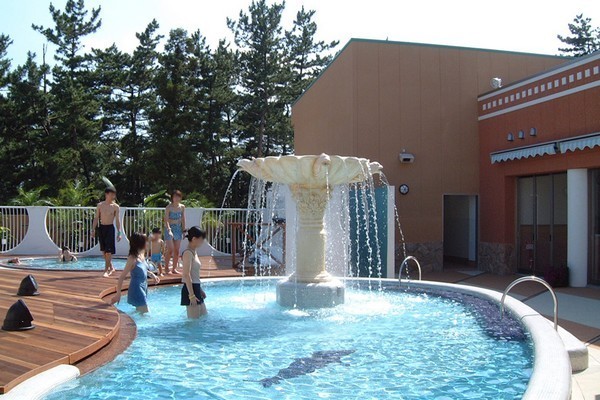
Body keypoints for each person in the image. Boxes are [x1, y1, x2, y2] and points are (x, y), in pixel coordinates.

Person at [112, 232, 160, 314]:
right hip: (137, 288)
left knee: (140, 312)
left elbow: (143, 269)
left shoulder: (141, 255)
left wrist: (152, 275)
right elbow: (122, 277)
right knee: (145, 313)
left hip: (144, 286)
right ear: (140, 243)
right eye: (146, 241)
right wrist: (118, 293)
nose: (148, 243)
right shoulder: (132, 258)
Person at [91, 187, 123, 277]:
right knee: (104, 251)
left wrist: (119, 232)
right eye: (111, 194)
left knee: (109, 251)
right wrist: (93, 229)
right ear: (106, 194)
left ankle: (106, 270)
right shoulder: (100, 205)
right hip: (102, 228)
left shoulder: (115, 207)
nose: (113, 196)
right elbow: (96, 218)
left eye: (114, 194)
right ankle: (111, 267)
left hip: (110, 228)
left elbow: (117, 220)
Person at [181, 226, 207, 319]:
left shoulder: (194, 252)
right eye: (201, 239)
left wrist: (200, 290)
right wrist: (191, 295)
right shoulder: (188, 253)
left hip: (196, 287)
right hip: (190, 290)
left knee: (204, 317)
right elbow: (186, 274)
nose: (203, 241)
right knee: (194, 322)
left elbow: (194, 274)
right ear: (194, 239)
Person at [164, 190, 186, 275]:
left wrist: (184, 230)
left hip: (178, 229)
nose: (176, 198)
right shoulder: (168, 207)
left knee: (177, 250)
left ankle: (174, 268)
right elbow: (166, 220)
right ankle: (166, 268)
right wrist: (169, 229)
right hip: (169, 229)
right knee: (170, 249)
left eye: (178, 197)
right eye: (175, 197)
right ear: (172, 198)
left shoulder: (182, 207)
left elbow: (183, 219)